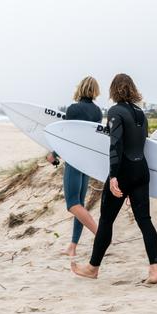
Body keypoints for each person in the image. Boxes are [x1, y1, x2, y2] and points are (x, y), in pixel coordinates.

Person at [71, 73, 157, 283]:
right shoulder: (141, 113)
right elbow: (141, 144)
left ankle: (93, 268)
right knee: (145, 221)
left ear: (113, 90)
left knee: (106, 221)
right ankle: (154, 271)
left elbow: (116, 144)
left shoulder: (115, 111)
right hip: (141, 171)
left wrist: (114, 177)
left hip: (123, 172)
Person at [46, 76, 102, 257]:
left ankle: (102, 237)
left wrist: (53, 154)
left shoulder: (73, 109)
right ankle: (73, 246)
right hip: (87, 161)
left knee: (72, 204)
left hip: (74, 159)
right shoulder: (97, 111)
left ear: (80, 88)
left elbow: (66, 135)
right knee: (80, 205)